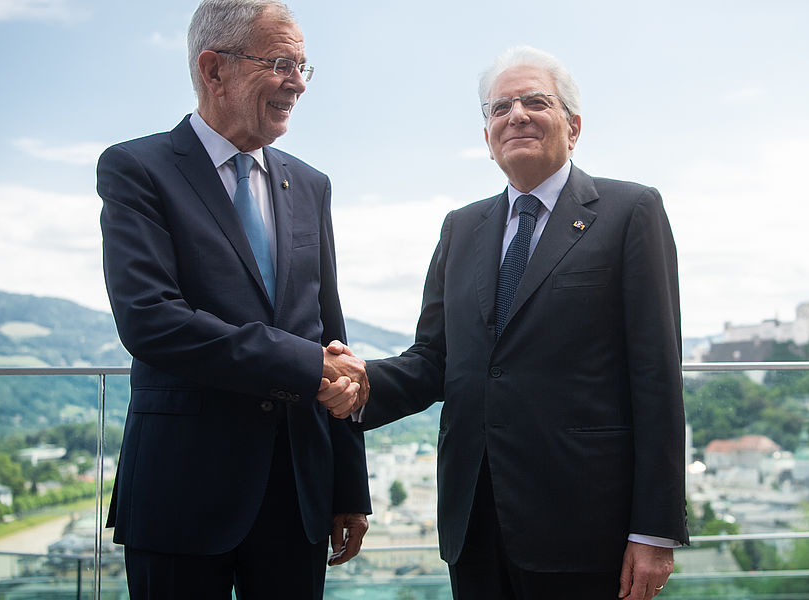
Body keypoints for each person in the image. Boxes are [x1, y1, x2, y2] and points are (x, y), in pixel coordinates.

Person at [329, 45, 688, 600]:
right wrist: (363, 383)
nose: (515, 114)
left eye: (535, 102)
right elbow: (435, 360)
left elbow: (657, 376)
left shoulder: (630, 212)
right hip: (474, 521)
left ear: (573, 126)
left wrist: (654, 529)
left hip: (587, 525)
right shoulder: (461, 227)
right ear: (488, 135)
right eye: (500, 108)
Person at [97, 1, 371, 597]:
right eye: (279, 62)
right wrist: (304, 366)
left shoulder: (312, 184)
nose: (297, 82)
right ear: (213, 68)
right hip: (180, 490)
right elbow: (152, 321)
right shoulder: (136, 169)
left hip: (297, 496)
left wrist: (347, 489)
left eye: (303, 66)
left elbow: (332, 335)